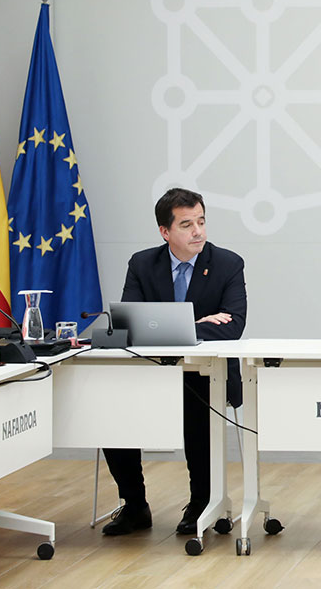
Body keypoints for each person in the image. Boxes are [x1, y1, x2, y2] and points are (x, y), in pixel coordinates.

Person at [101, 188, 247, 536]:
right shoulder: (142, 263)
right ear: (165, 232)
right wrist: (197, 324)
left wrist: (171, 327)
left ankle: (201, 503)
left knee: (197, 404)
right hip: (153, 371)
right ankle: (135, 505)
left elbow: (234, 325)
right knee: (111, 410)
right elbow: (130, 324)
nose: (198, 231)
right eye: (186, 224)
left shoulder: (227, 263)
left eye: (201, 222)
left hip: (206, 374)